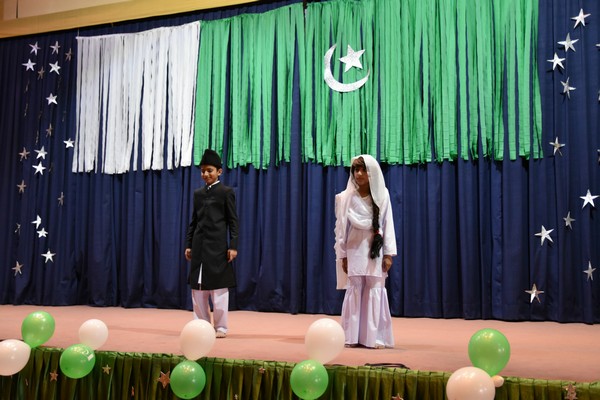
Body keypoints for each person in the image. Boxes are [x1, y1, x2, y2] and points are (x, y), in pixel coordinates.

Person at [334, 154, 397, 349]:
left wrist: (388, 254)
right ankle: (351, 337)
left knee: (375, 288)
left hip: (375, 250)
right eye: (356, 169)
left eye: (363, 170)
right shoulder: (345, 197)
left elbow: (388, 224)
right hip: (353, 249)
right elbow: (341, 229)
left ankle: (375, 338)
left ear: (372, 173)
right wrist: (343, 255)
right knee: (354, 289)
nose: (359, 174)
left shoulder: (382, 195)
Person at [185, 149, 239, 338]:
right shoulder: (198, 194)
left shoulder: (226, 192)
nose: (205, 174)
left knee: (219, 289)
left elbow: (233, 221)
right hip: (199, 246)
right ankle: (201, 326)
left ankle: (221, 327)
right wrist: (189, 244)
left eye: (209, 170)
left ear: (219, 171)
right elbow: (194, 221)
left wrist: (233, 246)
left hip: (217, 248)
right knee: (198, 290)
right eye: (202, 171)